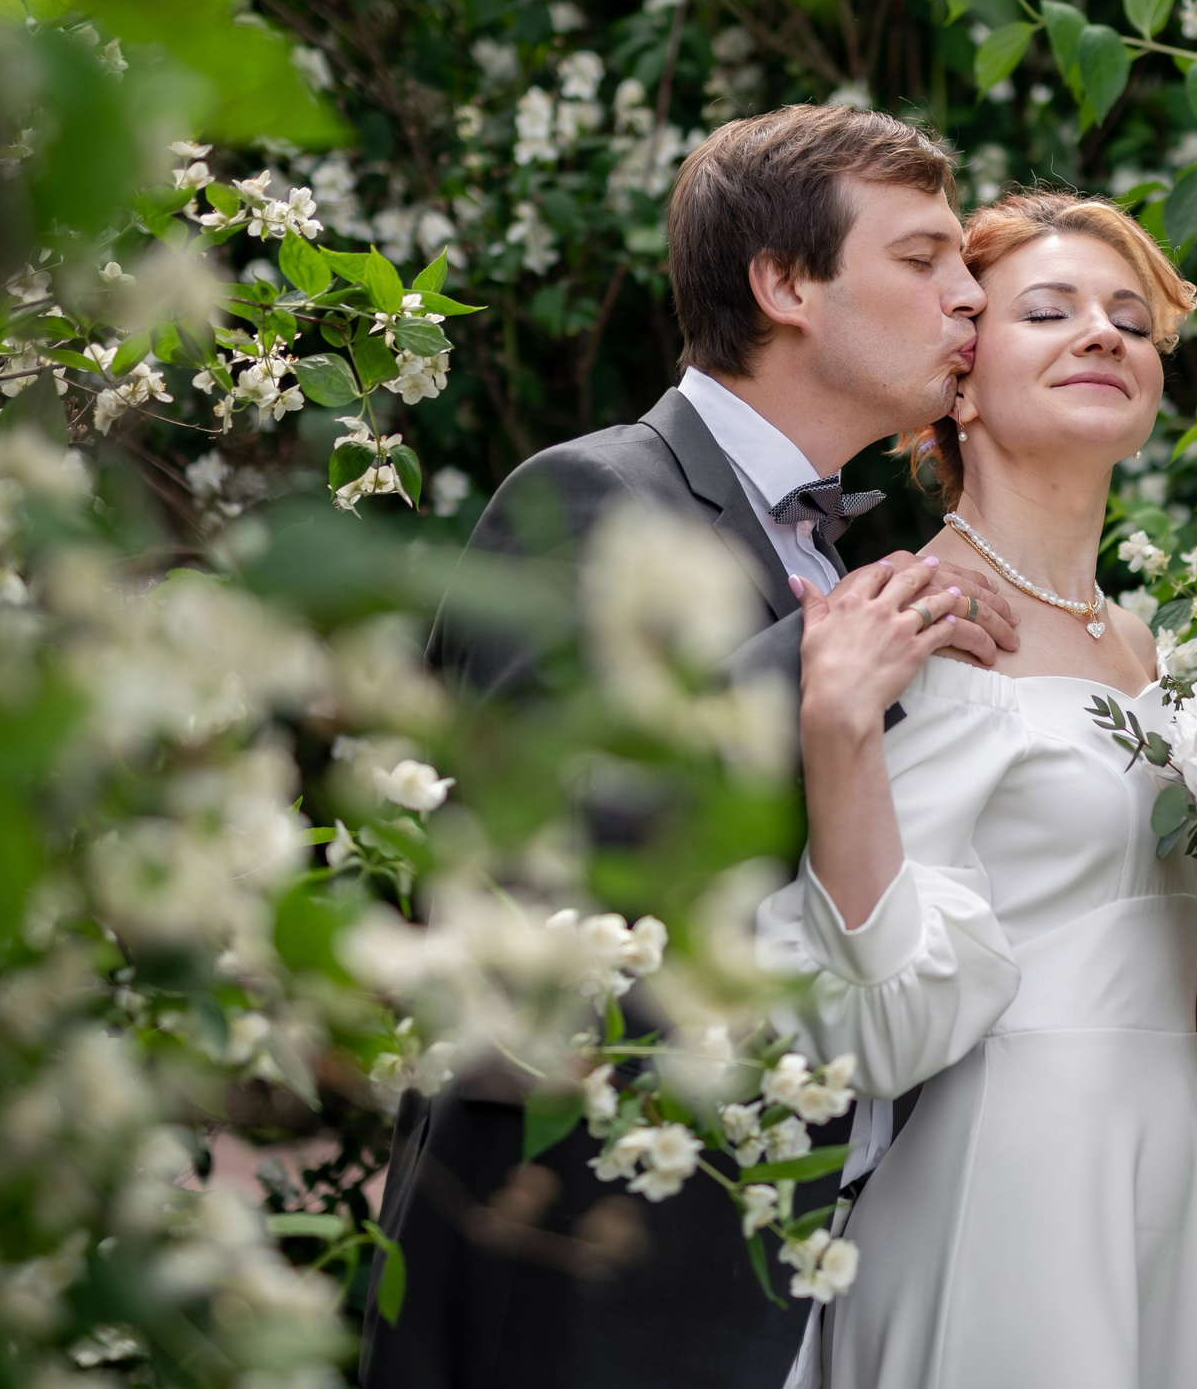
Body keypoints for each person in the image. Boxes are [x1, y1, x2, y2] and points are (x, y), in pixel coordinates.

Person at [366, 105, 1035, 1389]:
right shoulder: (589, 494)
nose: (969, 299)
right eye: (923, 259)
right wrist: (817, 654)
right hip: (569, 1277)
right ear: (784, 283)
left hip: (764, 1290)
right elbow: (522, 857)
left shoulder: (830, 560)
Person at [757, 191, 1197, 1389]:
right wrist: (839, 726)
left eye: (1131, 318)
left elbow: (1089, 930)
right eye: (1049, 309)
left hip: (1153, 1158)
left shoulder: (1148, 646)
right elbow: (881, 1001)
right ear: (962, 381)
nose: (1102, 334)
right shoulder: (917, 620)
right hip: (1004, 1181)